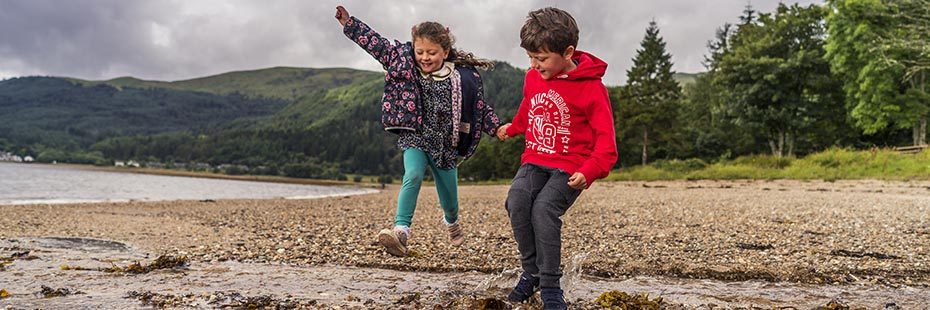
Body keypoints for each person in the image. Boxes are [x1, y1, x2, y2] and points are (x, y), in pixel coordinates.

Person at [335, 6, 502, 257]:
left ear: (445, 52)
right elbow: (377, 45)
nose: (424, 57)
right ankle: (401, 231)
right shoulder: (403, 62)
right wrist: (350, 24)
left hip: (447, 145)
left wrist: (496, 127)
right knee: (412, 175)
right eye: (420, 51)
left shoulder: (461, 77)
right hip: (415, 136)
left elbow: (478, 107)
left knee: (449, 199)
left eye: (432, 52)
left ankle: (452, 220)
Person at [496, 7, 618, 309]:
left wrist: (589, 172)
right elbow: (530, 107)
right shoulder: (533, 77)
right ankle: (532, 272)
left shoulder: (592, 89)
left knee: (544, 210)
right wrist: (515, 127)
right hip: (534, 159)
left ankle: (550, 285)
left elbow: (607, 145)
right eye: (531, 58)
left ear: (568, 52)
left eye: (541, 59)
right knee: (517, 201)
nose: (535, 66)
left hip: (571, 169)